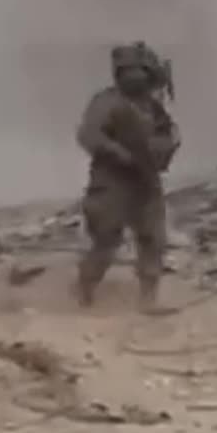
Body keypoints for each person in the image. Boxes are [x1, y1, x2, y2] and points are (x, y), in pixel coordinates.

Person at [75, 42, 180, 313]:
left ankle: (148, 299)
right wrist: (120, 154)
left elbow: (168, 135)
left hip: (145, 180)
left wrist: (162, 149)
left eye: (140, 71)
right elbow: (89, 135)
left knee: (153, 239)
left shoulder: (152, 108)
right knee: (107, 239)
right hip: (112, 180)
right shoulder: (107, 102)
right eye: (129, 71)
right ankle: (84, 290)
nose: (135, 77)